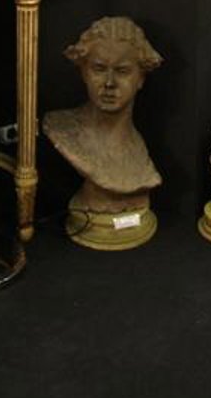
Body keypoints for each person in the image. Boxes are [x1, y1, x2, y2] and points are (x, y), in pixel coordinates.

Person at [42, 17, 164, 240]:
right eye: (98, 69)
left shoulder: (141, 161)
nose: (109, 83)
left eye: (122, 71)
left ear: (141, 78)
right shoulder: (61, 129)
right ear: (83, 72)